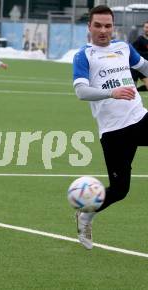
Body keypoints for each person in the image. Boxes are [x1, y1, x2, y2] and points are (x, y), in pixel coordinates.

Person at [72, 5, 148, 250]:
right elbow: (81, 91)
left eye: (107, 26)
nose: (103, 30)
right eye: (98, 25)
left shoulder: (124, 48)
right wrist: (112, 92)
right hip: (114, 132)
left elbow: (145, 66)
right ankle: (86, 215)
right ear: (89, 27)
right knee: (119, 190)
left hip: (139, 117)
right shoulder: (84, 55)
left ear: (113, 27)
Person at [131, 21, 148, 92]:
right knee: (132, 90)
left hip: (144, 67)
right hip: (135, 67)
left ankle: (139, 90)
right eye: (146, 27)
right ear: (144, 28)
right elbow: (132, 51)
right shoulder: (139, 39)